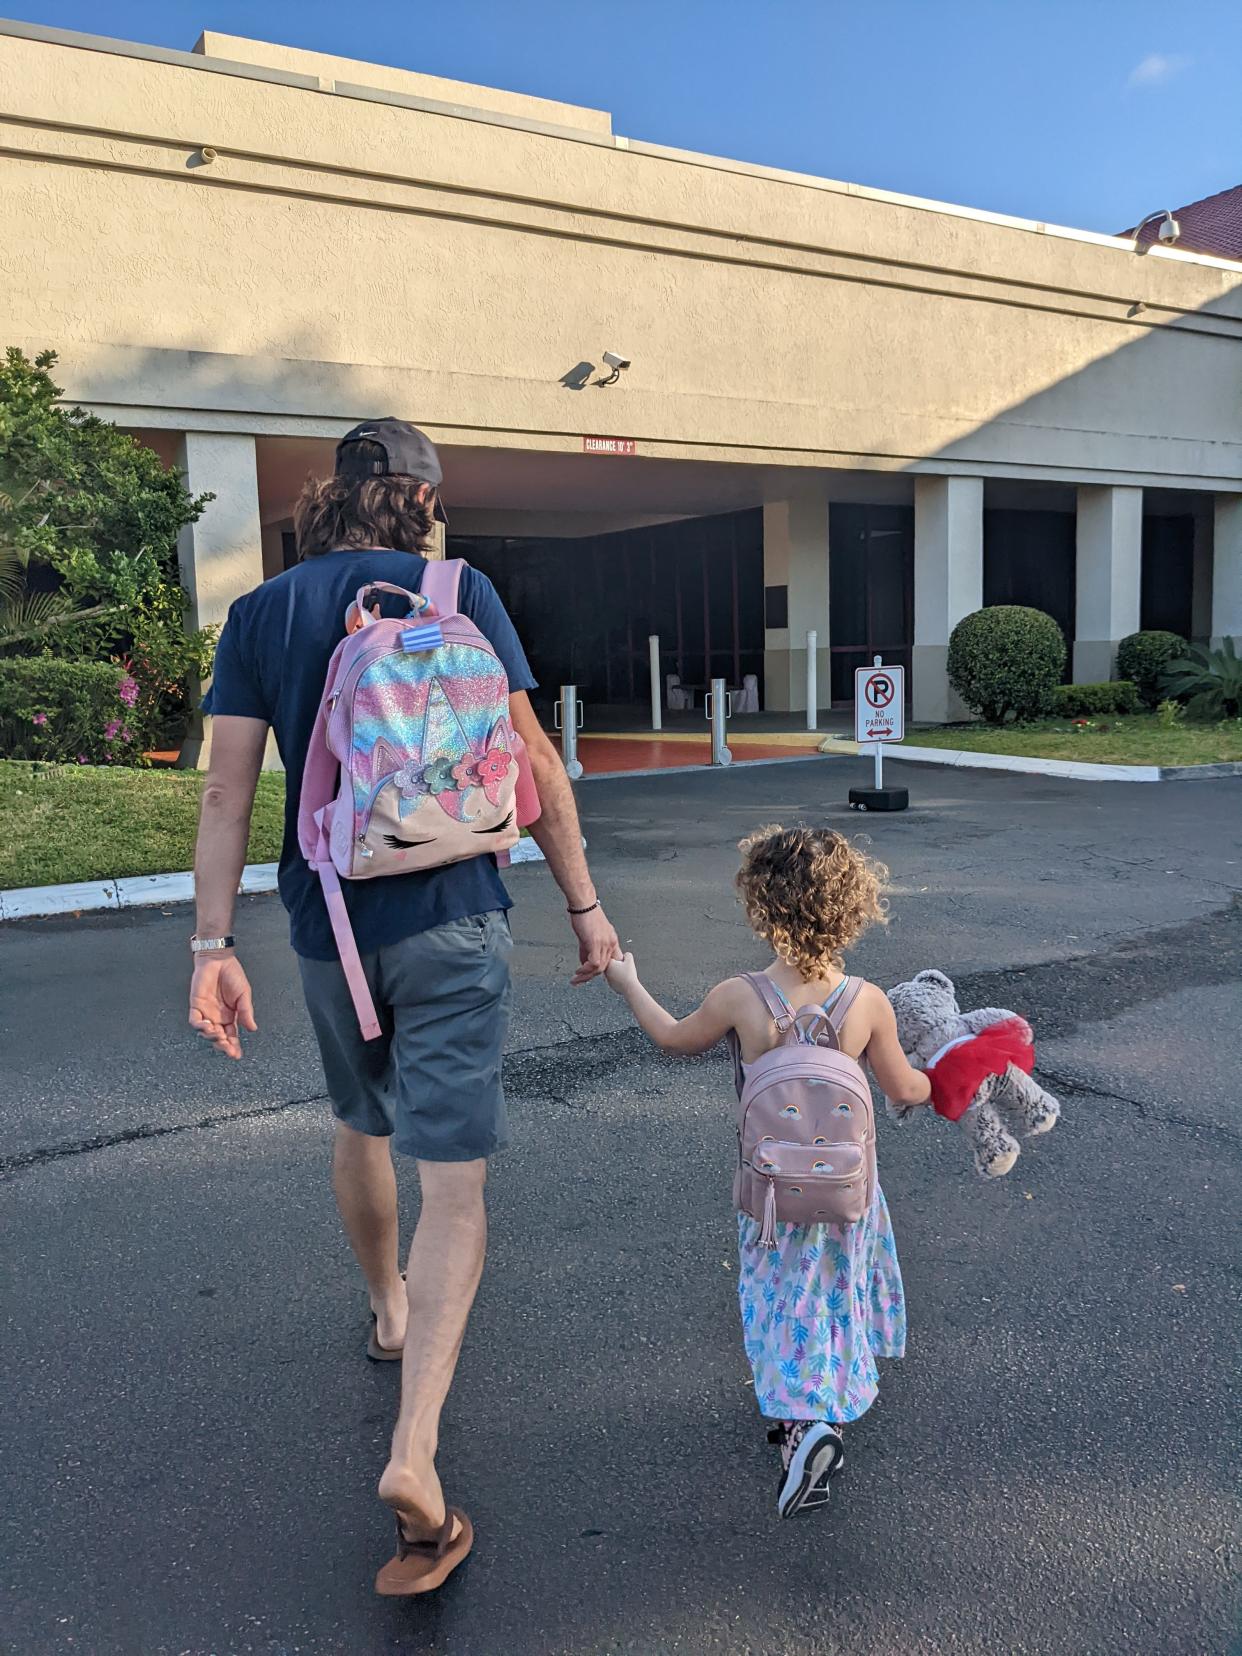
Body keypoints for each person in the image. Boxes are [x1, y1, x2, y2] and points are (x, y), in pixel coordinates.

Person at [187, 418, 619, 1594]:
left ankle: (385, 1311)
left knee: (360, 1121)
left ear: (333, 493)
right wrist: (583, 905)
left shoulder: (261, 615)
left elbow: (229, 790)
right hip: (458, 912)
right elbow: (533, 765)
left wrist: (210, 945)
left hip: (330, 921)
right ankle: (417, 1448)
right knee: (458, 1184)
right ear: (422, 500)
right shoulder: (456, 587)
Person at [603, 825, 931, 1517]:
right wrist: (940, 1077)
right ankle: (824, 1418)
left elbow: (670, 1038)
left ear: (762, 905)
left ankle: (801, 1428)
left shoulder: (739, 996)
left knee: (781, 1302)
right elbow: (904, 1091)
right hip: (850, 1193)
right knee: (834, 1295)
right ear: (854, 908)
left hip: (770, 1197)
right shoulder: (867, 1001)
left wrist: (627, 980)